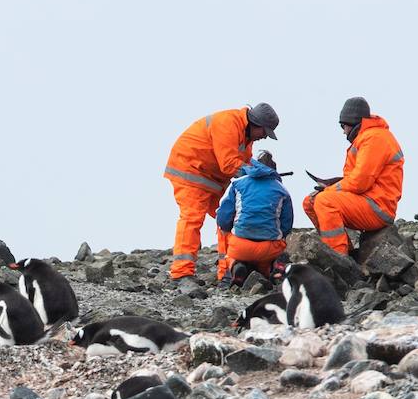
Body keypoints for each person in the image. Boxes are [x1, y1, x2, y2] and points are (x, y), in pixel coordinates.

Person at [163, 103, 280, 287]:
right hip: (190, 172)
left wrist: (262, 170)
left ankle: (227, 272)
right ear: (255, 123)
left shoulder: (245, 134)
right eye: (264, 132)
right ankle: (181, 273)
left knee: (227, 218)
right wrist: (255, 172)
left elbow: (242, 161)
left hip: (210, 180)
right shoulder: (228, 123)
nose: (264, 136)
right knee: (192, 218)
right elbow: (229, 164)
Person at [303, 97, 404, 256]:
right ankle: (347, 253)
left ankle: (338, 258)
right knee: (310, 202)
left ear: (352, 122)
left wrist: (330, 189)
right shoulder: (367, 137)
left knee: (324, 201)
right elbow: (359, 178)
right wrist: (334, 186)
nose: (343, 131)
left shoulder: (374, 138)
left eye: (343, 126)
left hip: (378, 206)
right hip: (368, 200)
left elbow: (360, 182)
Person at [215, 151, 293, 288]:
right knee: (270, 257)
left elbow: (223, 218)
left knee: (222, 230)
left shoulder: (237, 184)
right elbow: (286, 225)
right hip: (268, 249)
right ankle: (273, 268)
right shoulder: (282, 189)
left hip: (240, 247)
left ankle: (233, 268)